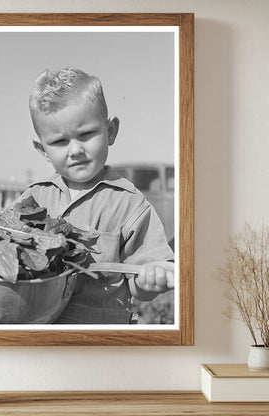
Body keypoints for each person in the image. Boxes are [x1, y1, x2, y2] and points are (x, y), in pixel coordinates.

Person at [20, 67, 174, 324]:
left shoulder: (130, 204)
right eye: (59, 142)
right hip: (39, 335)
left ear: (110, 130)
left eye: (86, 134)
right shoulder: (31, 200)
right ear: (42, 149)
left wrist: (150, 280)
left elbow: (141, 283)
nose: (76, 150)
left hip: (101, 338)